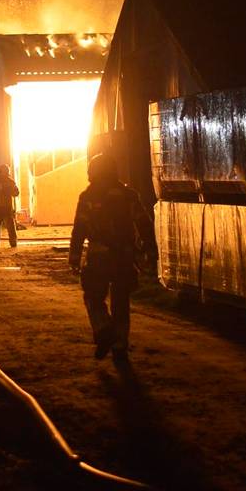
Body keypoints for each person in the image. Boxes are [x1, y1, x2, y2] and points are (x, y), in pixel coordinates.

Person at [69, 154, 151, 362]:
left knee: (93, 297)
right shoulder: (129, 195)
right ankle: (120, 344)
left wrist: (75, 255)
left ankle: (104, 329)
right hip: (124, 256)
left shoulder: (88, 196)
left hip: (98, 257)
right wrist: (150, 249)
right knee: (121, 300)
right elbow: (143, 223)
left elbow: (79, 228)